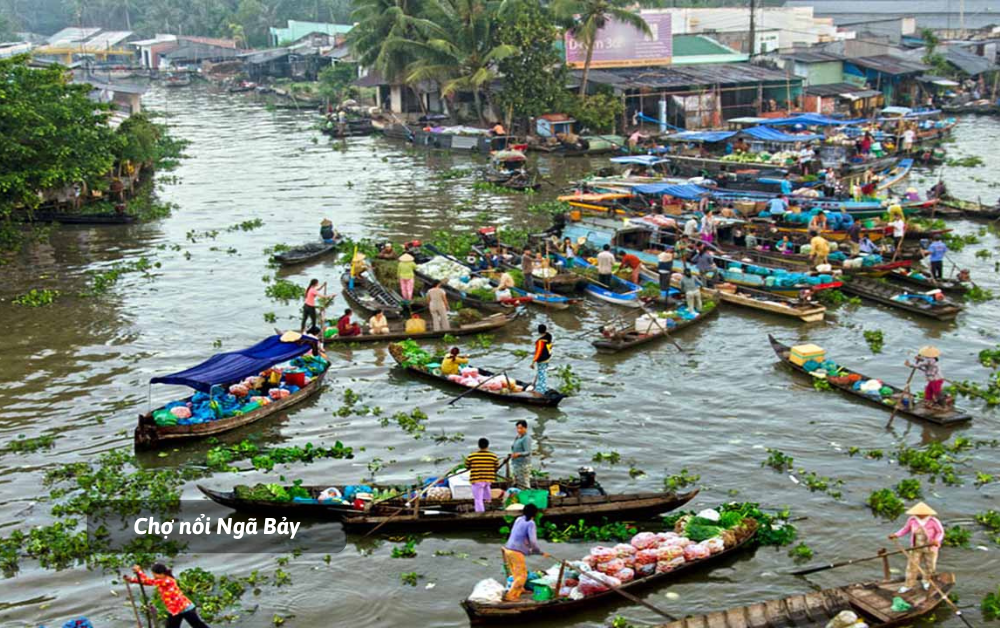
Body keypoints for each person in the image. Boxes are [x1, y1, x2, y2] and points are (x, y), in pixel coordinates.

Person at [127, 563, 211, 628]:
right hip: (176, 609)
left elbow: (149, 581)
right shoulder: (162, 580)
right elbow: (147, 581)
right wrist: (132, 580)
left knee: (198, 625)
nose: (154, 577)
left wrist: (139, 571)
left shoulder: (167, 581)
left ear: (161, 573)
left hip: (184, 608)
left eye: (155, 575)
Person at [888, 502, 944, 593]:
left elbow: (940, 532)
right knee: (911, 566)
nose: (918, 515)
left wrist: (936, 540)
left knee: (930, 566)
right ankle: (908, 585)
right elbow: (905, 529)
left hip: (930, 547)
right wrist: (896, 535)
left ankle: (926, 581)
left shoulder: (933, 521)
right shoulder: (912, 520)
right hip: (916, 547)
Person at [502, 503, 547, 601]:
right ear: (534, 514)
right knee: (522, 575)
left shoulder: (519, 519)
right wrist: (537, 551)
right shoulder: (531, 523)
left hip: (508, 549)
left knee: (515, 573)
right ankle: (511, 596)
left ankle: (521, 589)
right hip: (516, 552)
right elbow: (533, 541)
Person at [466, 438, 499, 513]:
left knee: (478, 499)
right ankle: (488, 501)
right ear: (487, 446)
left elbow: (467, 466)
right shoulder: (493, 456)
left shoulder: (472, 456)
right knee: (486, 488)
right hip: (488, 480)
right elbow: (496, 467)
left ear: (478, 446)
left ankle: (480, 513)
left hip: (477, 480)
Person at [530, 324, 553, 394]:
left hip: (542, 359)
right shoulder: (549, 336)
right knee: (543, 373)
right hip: (547, 358)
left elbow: (538, 352)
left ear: (539, 331)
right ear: (545, 330)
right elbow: (550, 345)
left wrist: (533, 362)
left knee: (541, 374)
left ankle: (541, 390)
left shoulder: (540, 341)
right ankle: (543, 387)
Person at [510, 420, 532, 489]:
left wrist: (518, 454)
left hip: (523, 465)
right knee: (518, 481)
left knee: (524, 482)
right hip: (516, 463)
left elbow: (528, 452)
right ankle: (520, 495)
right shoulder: (518, 437)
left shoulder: (526, 438)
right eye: (518, 428)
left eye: (521, 428)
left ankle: (526, 496)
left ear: (525, 428)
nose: (519, 430)